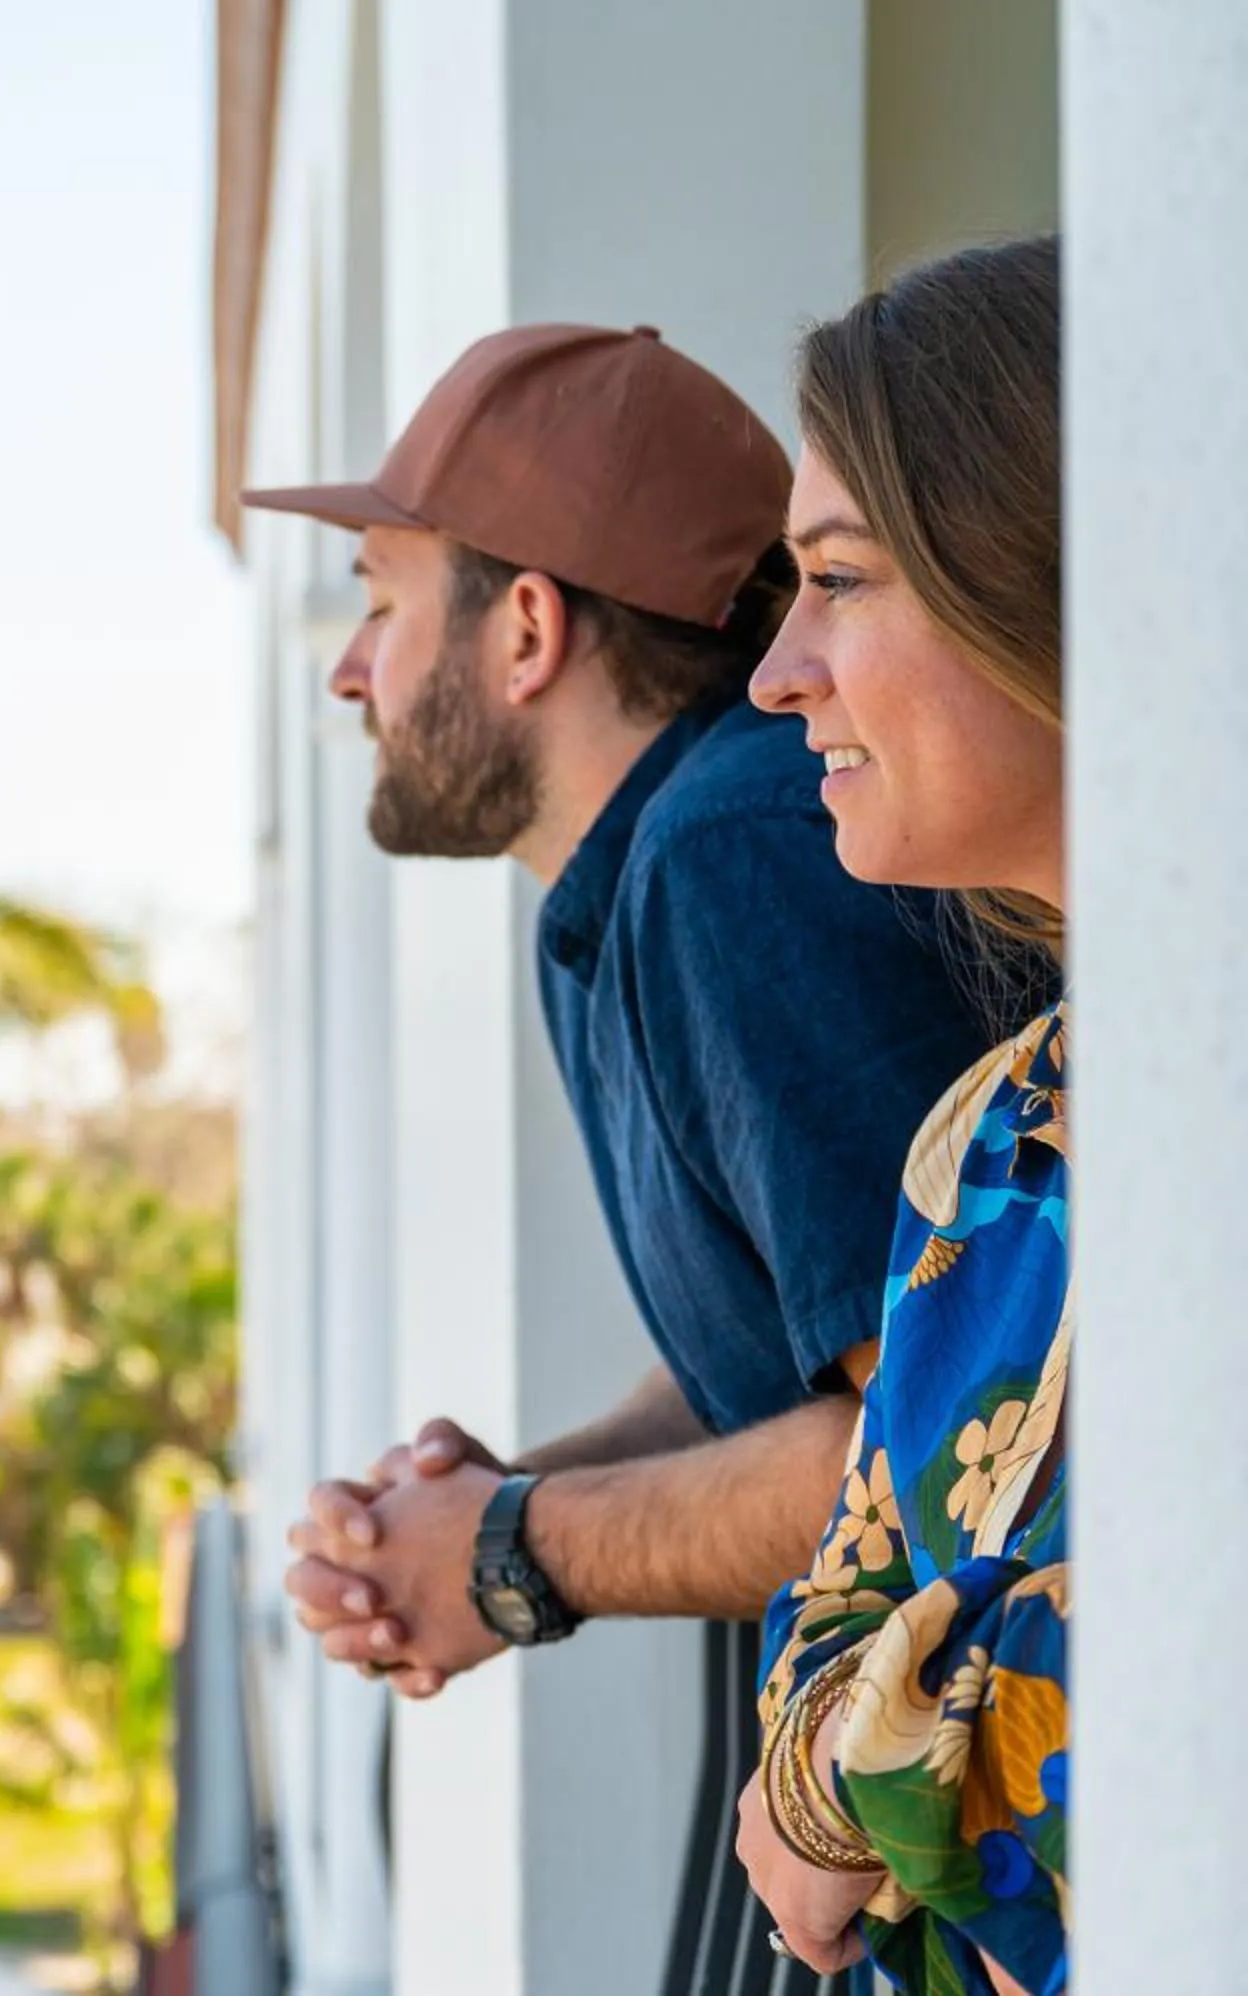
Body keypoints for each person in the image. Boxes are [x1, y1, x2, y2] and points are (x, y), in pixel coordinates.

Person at [239, 325, 1001, 1983]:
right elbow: (781, 1356)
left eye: (380, 597)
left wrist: (513, 1555)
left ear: (525, 626)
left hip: (947, 1840)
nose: (348, 670)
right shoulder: (624, 894)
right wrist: (502, 1498)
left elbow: (932, 1456)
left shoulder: (732, 854)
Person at [731, 236, 1069, 1996]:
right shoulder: (984, 1133)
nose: (780, 672)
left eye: (840, 578)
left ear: (1045, 578)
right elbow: (838, 1598)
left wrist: (852, 1783)